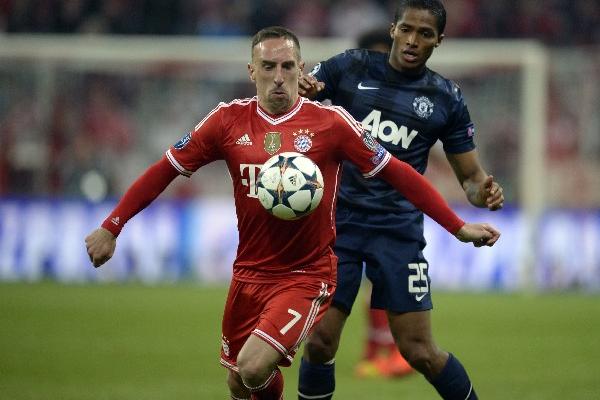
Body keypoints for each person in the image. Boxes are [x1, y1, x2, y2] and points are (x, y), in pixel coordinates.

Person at [85, 26, 500, 400]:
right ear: (252, 70)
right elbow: (164, 171)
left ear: (301, 68)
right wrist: (111, 226)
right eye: (268, 66)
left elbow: (399, 174)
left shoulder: (331, 124)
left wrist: (457, 226)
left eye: (287, 66)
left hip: (307, 275)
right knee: (240, 382)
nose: (279, 77)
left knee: (253, 365)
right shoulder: (226, 121)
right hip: (248, 274)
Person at [297, 1, 504, 399]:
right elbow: (302, 93)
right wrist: (304, 90)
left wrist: (485, 193)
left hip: (397, 230)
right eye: (407, 29)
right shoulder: (349, 67)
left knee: (418, 351)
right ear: (393, 29)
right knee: (321, 341)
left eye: (425, 34)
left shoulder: (446, 98)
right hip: (337, 226)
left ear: (439, 40)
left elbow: (472, 181)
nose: (413, 40)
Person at [354, 27, 415, 379]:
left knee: (385, 282)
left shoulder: (405, 102)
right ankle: (378, 352)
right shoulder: (350, 99)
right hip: (353, 206)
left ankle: (392, 352)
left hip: (393, 210)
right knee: (361, 286)